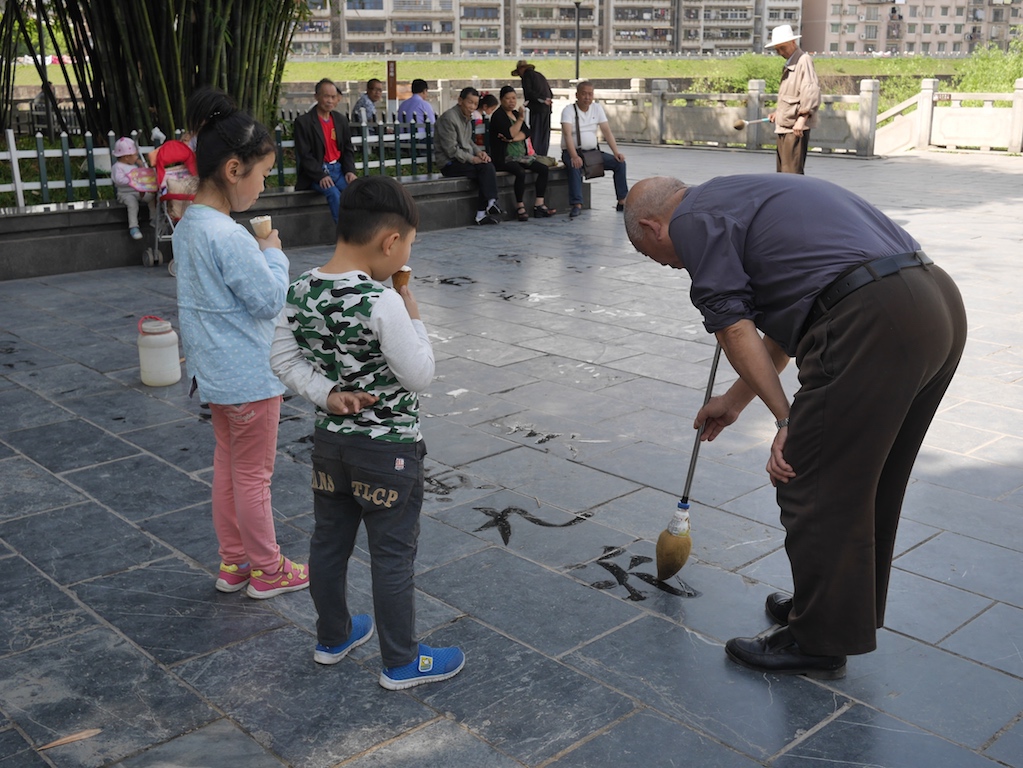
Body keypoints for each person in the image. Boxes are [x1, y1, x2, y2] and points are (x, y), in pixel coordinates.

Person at [624, 174, 966, 679]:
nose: (672, 265)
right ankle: (833, 610)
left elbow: (733, 327)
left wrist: (787, 419)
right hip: (931, 303)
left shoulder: (692, 222)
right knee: (867, 479)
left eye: (659, 258)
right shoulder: (737, 197)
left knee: (805, 476)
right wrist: (736, 402)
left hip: (872, 318)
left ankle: (819, 639)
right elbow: (798, 320)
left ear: (653, 226)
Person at [270, 175, 466, 690]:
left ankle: (333, 636)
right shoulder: (382, 303)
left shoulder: (299, 289)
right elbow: (419, 374)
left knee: (329, 543)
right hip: (390, 454)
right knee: (392, 555)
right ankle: (402, 660)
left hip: (331, 447)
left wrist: (327, 395)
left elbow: (282, 358)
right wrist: (413, 312)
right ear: (390, 243)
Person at [173, 87, 310, 600]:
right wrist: (273, 254)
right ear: (234, 170)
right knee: (254, 477)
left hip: (214, 376)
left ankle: (234, 563)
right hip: (251, 376)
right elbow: (268, 299)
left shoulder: (189, 225)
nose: (264, 184)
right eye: (262, 174)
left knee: (228, 470)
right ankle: (268, 569)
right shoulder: (230, 236)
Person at [435, 86, 502, 226]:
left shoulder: (466, 117)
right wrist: (473, 159)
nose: (472, 107)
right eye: (469, 102)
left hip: (463, 160)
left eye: (475, 104)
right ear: (460, 100)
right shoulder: (449, 118)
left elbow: (468, 141)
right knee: (485, 169)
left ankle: (486, 208)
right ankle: (488, 205)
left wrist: (479, 153)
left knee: (486, 167)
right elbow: (451, 150)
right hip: (449, 163)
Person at [293, 78, 358, 223]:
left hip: (339, 170)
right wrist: (320, 175)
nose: (330, 100)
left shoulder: (340, 120)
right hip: (318, 171)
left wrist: (350, 171)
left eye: (333, 97)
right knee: (333, 193)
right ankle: (345, 236)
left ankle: (362, 232)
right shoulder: (303, 122)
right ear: (316, 97)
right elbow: (305, 155)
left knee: (356, 193)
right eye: (326, 96)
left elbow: (347, 149)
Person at [560, 81, 628, 218]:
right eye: (584, 94)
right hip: (573, 152)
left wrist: (616, 152)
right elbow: (567, 134)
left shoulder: (597, 108)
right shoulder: (568, 110)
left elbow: (607, 132)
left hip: (592, 152)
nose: (587, 97)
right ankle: (576, 204)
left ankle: (622, 201)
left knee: (619, 163)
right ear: (577, 95)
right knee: (575, 166)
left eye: (590, 94)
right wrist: (574, 156)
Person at [488, 86, 556, 221]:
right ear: (501, 100)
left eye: (513, 98)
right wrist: (519, 121)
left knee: (543, 169)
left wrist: (512, 139)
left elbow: (526, 132)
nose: (511, 101)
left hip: (521, 156)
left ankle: (539, 205)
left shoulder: (514, 113)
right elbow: (510, 132)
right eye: (507, 99)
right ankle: (520, 206)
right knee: (520, 172)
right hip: (505, 157)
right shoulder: (498, 116)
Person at [764, 24, 821, 175]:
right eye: (777, 49)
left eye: (782, 48)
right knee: (783, 173)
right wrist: (778, 113)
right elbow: (790, 96)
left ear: (793, 43)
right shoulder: (790, 63)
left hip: (795, 128)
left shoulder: (803, 60)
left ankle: (796, 199)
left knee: (792, 174)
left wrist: (802, 119)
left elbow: (811, 90)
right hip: (784, 125)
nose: (780, 52)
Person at [111, 136, 156, 240]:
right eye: (135, 155)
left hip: (138, 191)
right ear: (126, 157)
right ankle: (133, 226)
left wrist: (142, 165)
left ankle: (153, 217)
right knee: (132, 204)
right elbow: (119, 180)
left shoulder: (134, 166)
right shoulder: (117, 167)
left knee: (151, 198)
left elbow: (145, 174)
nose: (137, 157)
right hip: (125, 194)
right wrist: (133, 181)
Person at [512, 59, 554, 157]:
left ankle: (535, 155)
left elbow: (529, 93)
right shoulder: (540, 75)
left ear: (522, 69)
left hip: (536, 109)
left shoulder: (527, 76)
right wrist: (546, 101)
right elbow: (550, 93)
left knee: (535, 133)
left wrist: (541, 100)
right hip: (546, 109)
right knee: (544, 135)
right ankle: (543, 155)